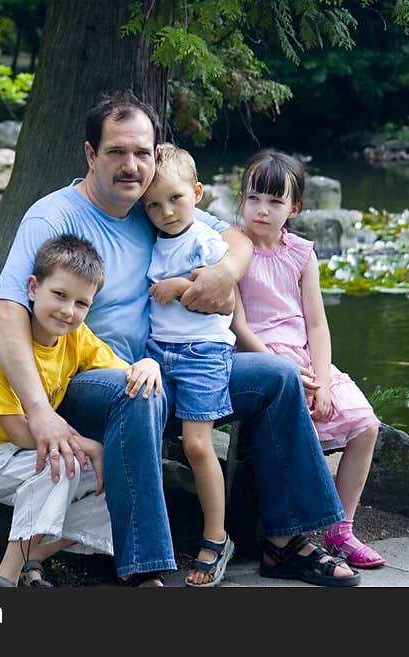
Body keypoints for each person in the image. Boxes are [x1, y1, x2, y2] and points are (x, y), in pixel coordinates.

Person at [0, 91, 359, 587]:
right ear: (91, 155)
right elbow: (2, 311)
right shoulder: (54, 216)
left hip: (173, 363)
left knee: (277, 376)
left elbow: (238, 238)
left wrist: (224, 274)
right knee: (138, 393)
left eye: (143, 152)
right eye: (117, 152)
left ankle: (286, 541)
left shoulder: (152, 205)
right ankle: (148, 571)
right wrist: (40, 413)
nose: (131, 165)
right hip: (91, 380)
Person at [0, 234, 164, 587]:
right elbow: (18, 430)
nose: (68, 311)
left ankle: (38, 556)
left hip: (22, 453)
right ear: (33, 288)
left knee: (116, 474)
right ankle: (5, 576)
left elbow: (123, 369)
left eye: (81, 303)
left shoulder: (75, 338)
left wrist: (148, 365)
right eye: (59, 295)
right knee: (65, 463)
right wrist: (86, 445)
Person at [231, 149, 384, 569]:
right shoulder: (233, 247)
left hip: (305, 357)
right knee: (301, 436)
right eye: (254, 198)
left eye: (275, 201)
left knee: (365, 425)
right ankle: (295, 531)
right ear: (241, 198)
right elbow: (238, 327)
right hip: (260, 359)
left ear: (294, 207)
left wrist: (320, 376)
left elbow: (316, 323)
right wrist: (284, 370)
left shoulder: (301, 253)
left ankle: (341, 530)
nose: (262, 210)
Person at [140, 143, 235, 587]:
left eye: (176, 199)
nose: (167, 212)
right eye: (154, 204)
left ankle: (215, 537)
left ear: (197, 193)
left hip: (202, 354)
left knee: (199, 445)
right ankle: (148, 546)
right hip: (158, 354)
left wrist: (179, 285)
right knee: (145, 438)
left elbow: (222, 298)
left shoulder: (206, 239)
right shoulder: (155, 241)